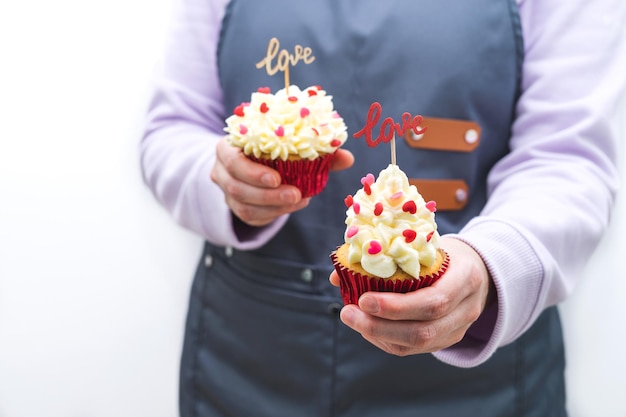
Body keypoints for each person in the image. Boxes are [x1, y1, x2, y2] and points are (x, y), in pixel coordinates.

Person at [140, 0, 626, 415]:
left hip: (476, 381)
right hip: (251, 355)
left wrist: (491, 266)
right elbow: (173, 127)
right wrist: (223, 179)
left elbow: (566, 158)